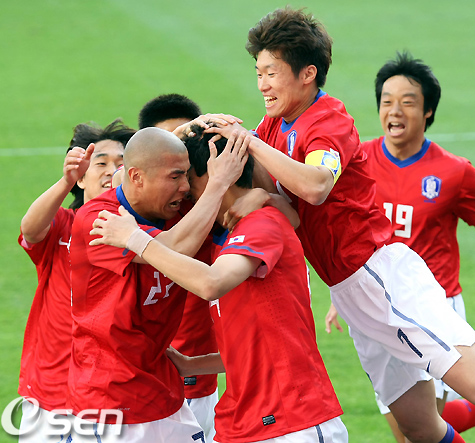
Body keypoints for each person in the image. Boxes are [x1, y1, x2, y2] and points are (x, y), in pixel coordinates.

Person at [207, 7, 475, 443]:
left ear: (307, 74)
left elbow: (317, 185)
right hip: (350, 293)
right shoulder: (273, 125)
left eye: (271, 73)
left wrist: (250, 144)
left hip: (381, 279)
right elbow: (292, 212)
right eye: (258, 73)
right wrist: (253, 184)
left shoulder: (328, 121)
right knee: (419, 427)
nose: (262, 85)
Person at [88, 125, 347, 443]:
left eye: (189, 179)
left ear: (218, 175)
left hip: (291, 421)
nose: (185, 190)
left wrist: (135, 239)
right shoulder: (225, 234)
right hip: (244, 422)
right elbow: (253, 350)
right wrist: (191, 365)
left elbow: (212, 283)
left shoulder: (262, 224)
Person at [343, 51, 475, 442]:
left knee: (423, 429)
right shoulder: (358, 162)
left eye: (407, 102)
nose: (395, 111)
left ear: (428, 111)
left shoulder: (454, 172)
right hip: (379, 309)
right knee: (414, 430)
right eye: (386, 101)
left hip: (435, 306)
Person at [67, 125, 247, 442]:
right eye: (175, 177)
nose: (185, 187)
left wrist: (257, 194)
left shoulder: (181, 211)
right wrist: (218, 184)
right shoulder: (100, 219)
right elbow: (173, 248)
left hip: (164, 389)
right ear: (136, 177)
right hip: (110, 400)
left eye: (187, 176)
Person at [17, 118, 135, 440]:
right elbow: (30, 229)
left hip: (107, 395)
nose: (112, 171)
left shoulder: (138, 234)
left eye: (121, 164)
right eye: (101, 163)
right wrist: (64, 181)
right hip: (50, 392)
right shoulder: (62, 225)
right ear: (81, 178)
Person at [137, 93, 220, 441]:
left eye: (185, 148)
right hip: (136, 385)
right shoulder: (126, 213)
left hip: (197, 379)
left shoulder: (213, 207)